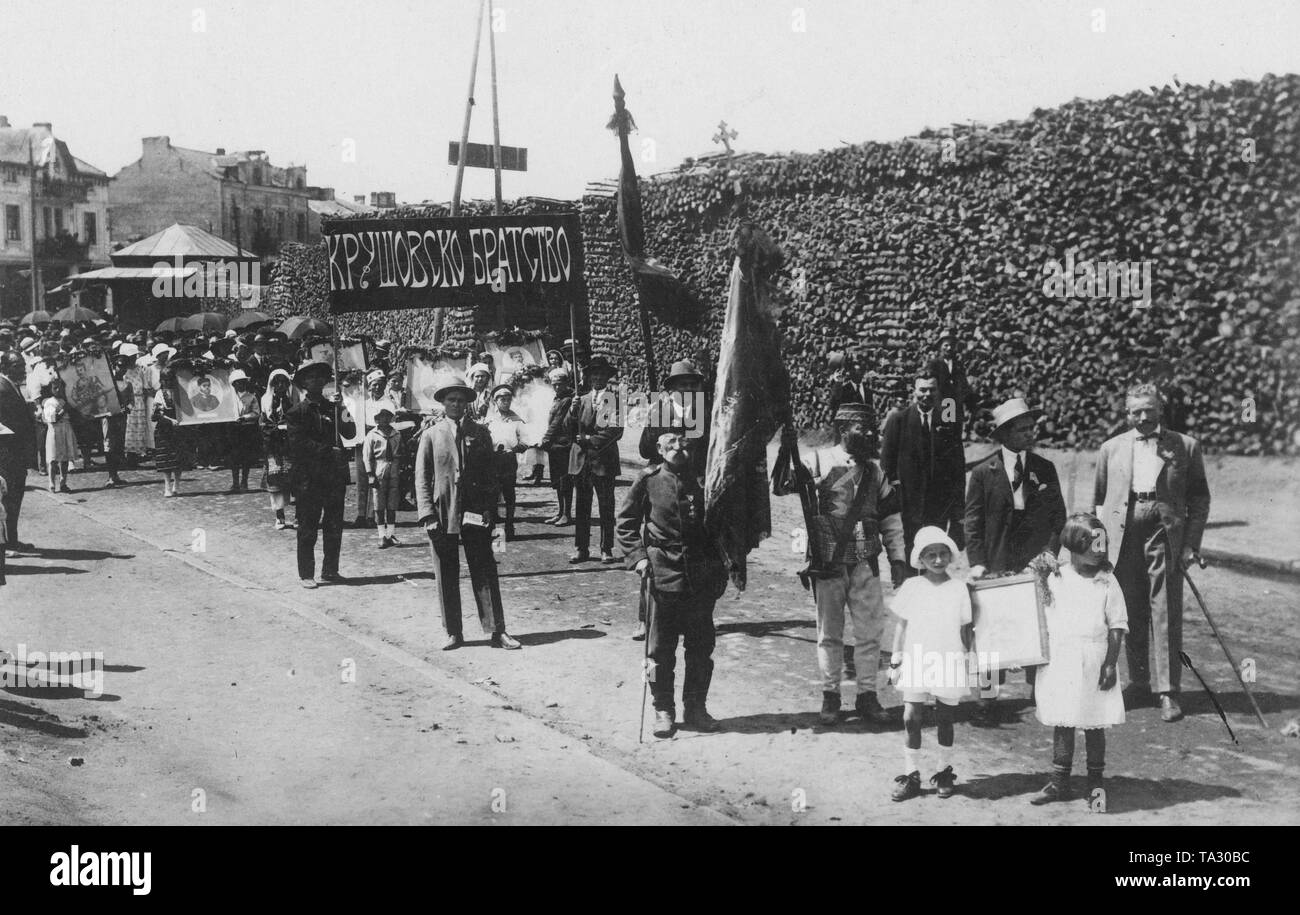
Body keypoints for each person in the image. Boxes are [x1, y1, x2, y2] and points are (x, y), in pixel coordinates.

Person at [1094, 383, 1210, 723]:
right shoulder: (1110, 448)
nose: (1143, 417)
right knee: (1128, 608)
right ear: (1126, 414)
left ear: (1160, 409)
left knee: (1164, 608)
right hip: (1123, 534)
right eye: (1135, 411)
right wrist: (1099, 550)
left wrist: (1190, 544)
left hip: (1164, 532)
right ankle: (1139, 681)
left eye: (1149, 410)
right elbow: (1101, 502)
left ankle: (1168, 691)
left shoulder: (1185, 446)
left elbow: (1199, 499)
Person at [617, 431, 728, 737]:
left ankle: (696, 708)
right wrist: (639, 558)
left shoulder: (704, 482)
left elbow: (720, 529)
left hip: (699, 578)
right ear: (659, 449)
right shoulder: (649, 479)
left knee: (700, 648)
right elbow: (625, 523)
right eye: (671, 444)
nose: (679, 448)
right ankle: (662, 708)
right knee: (657, 651)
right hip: (661, 574)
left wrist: (719, 569)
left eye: (684, 444)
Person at [964, 397, 1067, 724]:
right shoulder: (983, 473)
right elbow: (973, 522)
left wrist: (1048, 555)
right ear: (1004, 433)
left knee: (1039, 625)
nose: (1029, 434)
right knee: (991, 630)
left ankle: (1040, 692)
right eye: (1021, 429)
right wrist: (977, 562)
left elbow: (1058, 518)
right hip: (996, 560)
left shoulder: (1044, 469)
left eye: (1031, 428)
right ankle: (987, 702)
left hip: (1034, 561)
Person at [802, 402, 907, 726]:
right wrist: (790, 463)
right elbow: (780, 486)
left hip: (865, 564)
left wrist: (898, 560)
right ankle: (831, 696)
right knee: (829, 634)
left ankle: (867, 696)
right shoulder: (816, 460)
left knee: (870, 633)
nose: (871, 434)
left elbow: (891, 519)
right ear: (844, 429)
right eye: (863, 428)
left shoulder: (876, 472)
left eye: (872, 428)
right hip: (828, 563)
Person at [1029, 513, 1128, 811]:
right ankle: (1059, 780)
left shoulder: (1107, 581)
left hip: (1094, 660)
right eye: (1091, 544)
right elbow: (1041, 617)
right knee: (1064, 719)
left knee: (1094, 723)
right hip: (1063, 660)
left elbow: (1117, 626)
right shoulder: (1056, 577)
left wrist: (1110, 663)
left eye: (1102, 544)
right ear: (1073, 545)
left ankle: (1095, 783)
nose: (1099, 551)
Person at [415, 374, 520, 650]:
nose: (457, 405)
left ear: (467, 403)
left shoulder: (480, 433)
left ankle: (497, 630)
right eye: (451, 400)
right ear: (443, 402)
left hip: (475, 512)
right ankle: (453, 631)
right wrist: (427, 514)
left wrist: (489, 508)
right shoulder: (431, 435)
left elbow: (490, 475)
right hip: (443, 512)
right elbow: (422, 477)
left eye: (461, 400)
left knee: (484, 568)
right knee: (446, 572)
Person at [887, 527, 972, 801]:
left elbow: (966, 630)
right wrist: (896, 656)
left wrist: (970, 657)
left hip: (948, 657)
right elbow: (902, 624)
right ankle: (912, 774)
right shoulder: (912, 587)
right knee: (911, 717)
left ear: (950, 556)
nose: (937, 560)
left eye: (942, 554)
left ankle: (944, 771)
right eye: (931, 555)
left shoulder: (959, 588)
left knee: (945, 717)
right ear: (920, 560)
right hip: (916, 656)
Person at [881, 366, 967, 569]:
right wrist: (893, 504)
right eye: (922, 390)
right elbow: (886, 467)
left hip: (938, 508)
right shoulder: (898, 420)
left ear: (938, 392)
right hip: (907, 507)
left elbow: (957, 472)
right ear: (914, 391)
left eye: (932, 390)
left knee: (934, 562)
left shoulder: (948, 423)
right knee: (908, 563)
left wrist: (957, 517)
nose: (927, 395)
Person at [286, 362, 355, 588]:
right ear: (303, 383)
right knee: (308, 526)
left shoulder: (333, 407)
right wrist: (328, 451)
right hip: (309, 478)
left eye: (320, 378)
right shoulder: (296, 413)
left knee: (334, 525)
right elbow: (298, 444)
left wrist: (342, 408)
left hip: (333, 477)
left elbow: (350, 430)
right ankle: (306, 573)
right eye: (311, 378)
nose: (316, 381)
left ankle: (330, 570)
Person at [567, 355, 623, 564]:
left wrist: (591, 439)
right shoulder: (579, 400)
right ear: (589, 378)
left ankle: (606, 548)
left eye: (602, 374)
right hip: (581, 461)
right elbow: (567, 430)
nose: (598, 378)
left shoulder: (615, 401)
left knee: (606, 507)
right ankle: (581, 548)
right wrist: (572, 412)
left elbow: (616, 430)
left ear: (607, 378)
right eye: (594, 374)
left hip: (604, 460)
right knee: (582, 507)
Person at [638, 359, 710, 483]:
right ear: (673, 387)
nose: (689, 388)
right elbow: (645, 451)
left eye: (692, 385)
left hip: (691, 479)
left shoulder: (701, 413)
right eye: (683, 385)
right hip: (661, 477)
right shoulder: (660, 411)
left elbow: (704, 450)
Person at [484, 384, 530, 541]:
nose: (505, 402)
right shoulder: (489, 419)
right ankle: (491, 527)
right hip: (492, 459)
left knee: (509, 493)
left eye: (508, 399)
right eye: (502, 399)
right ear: (495, 401)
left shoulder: (517, 420)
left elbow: (525, 441)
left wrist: (515, 450)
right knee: (491, 493)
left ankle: (509, 525)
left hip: (509, 460)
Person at [0, 353, 36, 553]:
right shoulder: (1, 387)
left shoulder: (12, 386)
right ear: (5, 366)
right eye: (17, 365)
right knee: (7, 499)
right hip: (7, 453)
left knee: (15, 497)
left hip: (16, 452)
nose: (22, 369)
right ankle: (5, 544)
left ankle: (12, 540)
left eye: (23, 365)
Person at [260, 369, 296, 530]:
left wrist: (289, 428)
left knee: (296, 479)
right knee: (275, 481)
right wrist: (275, 429)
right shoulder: (266, 400)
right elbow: (262, 423)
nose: (280, 385)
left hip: (290, 445)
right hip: (274, 446)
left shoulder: (294, 399)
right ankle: (279, 516)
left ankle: (298, 516)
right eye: (277, 382)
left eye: (284, 382)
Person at [362, 407, 402, 548]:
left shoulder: (396, 434)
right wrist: (370, 474)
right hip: (379, 469)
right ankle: (381, 535)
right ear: (376, 419)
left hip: (394, 470)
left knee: (392, 504)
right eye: (381, 416)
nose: (384, 419)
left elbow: (400, 452)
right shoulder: (372, 435)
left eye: (387, 416)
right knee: (379, 505)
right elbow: (367, 457)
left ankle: (391, 534)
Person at [928, 329, 980, 438]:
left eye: (951, 345)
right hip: (942, 404)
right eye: (946, 345)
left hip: (956, 405)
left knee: (956, 434)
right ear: (940, 346)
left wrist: (969, 401)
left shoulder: (958, 364)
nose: (949, 348)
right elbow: (932, 385)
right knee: (944, 435)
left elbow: (963, 383)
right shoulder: (934, 364)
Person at [539, 367, 575, 527]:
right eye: (554, 384)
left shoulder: (568, 399)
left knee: (564, 480)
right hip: (554, 445)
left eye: (560, 384)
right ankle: (560, 512)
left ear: (567, 383)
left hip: (563, 444)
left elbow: (557, 422)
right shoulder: (557, 398)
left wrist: (545, 439)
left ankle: (567, 513)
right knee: (557, 481)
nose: (557, 387)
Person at [226, 369, 261, 493]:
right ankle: (235, 482)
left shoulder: (251, 397)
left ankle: (244, 481)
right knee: (234, 456)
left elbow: (256, 413)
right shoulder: (229, 397)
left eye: (242, 382)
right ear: (234, 384)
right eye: (237, 383)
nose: (240, 384)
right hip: (233, 429)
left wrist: (245, 417)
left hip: (247, 429)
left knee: (246, 457)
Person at [120, 344, 154, 465]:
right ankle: (129, 455)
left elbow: (145, 386)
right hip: (129, 402)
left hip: (140, 402)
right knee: (129, 428)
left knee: (139, 428)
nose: (132, 359)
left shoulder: (141, 369)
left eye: (134, 356)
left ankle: (136, 454)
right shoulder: (122, 372)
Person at [103, 354, 134, 487]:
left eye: (124, 367)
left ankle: (116, 475)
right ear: (114, 366)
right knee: (109, 445)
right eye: (119, 366)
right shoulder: (107, 383)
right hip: (108, 418)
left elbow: (132, 401)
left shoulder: (128, 384)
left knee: (118, 446)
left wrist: (127, 408)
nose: (121, 369)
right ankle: (110, 475)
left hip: (121, 418)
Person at [42, 379, 77, 493]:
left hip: (65, 429)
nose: (58, 390)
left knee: (65, 457)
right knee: (53, 458)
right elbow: (53, 419)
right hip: (55, 431)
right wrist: (63, 410)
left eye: (60, 388)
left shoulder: (64, 401)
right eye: (55, 388)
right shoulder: (49, 402)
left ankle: (63, 482)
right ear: (51, 389)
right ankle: (52, 482)